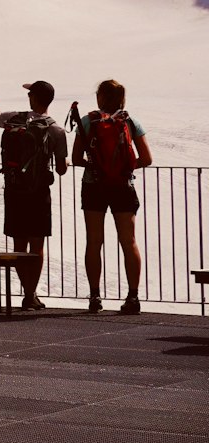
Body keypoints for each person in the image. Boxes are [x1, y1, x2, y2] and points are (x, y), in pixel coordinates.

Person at [0, 81, 67, 310]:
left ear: (34, 98)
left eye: (30, 93)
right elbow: (61, 169)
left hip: (14, 189)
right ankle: (31, 294)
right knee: (37, 247)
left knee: (19, 246)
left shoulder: (16, 119)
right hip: (39, 192)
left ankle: (27, 292)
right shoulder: (56, 130)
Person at [70, 79, 154, 314]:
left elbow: (76, 159)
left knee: (94, 242)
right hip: (122, 186)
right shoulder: (130, 121)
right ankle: (133, 297)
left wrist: (97, 166)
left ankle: (95, 296)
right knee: (129, 242)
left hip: (93, 186)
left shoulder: (87, 121)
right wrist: (122, 168)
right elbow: (146, 158)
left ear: (100, 97)